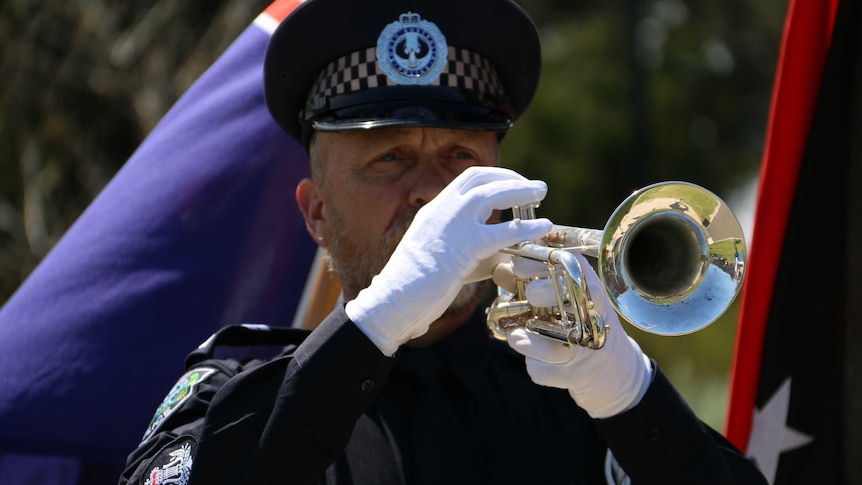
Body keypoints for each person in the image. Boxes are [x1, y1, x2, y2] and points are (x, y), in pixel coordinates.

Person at [122, 0, 767, 483]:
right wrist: (381, 319)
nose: (433, 194)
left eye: (461, 157)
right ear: (316, 214)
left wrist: (630, 396)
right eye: (389, 159)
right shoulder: (237, 392)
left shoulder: (574, 389)